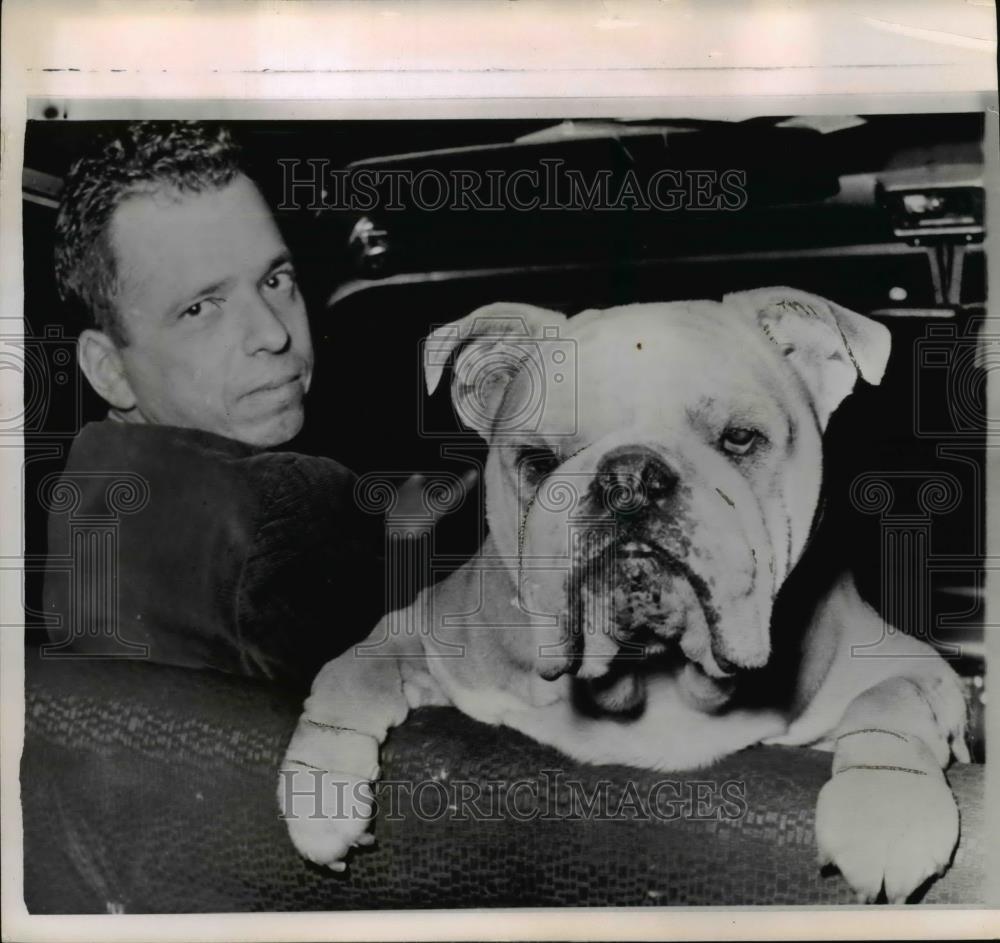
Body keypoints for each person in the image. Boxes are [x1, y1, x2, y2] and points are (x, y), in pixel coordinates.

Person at [42, 122, 420, 688]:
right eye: (201, 308)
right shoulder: (298, 498)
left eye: (275, 280)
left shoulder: (87, 485)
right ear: (110, 370)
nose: (272, 333)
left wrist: (386, 534)